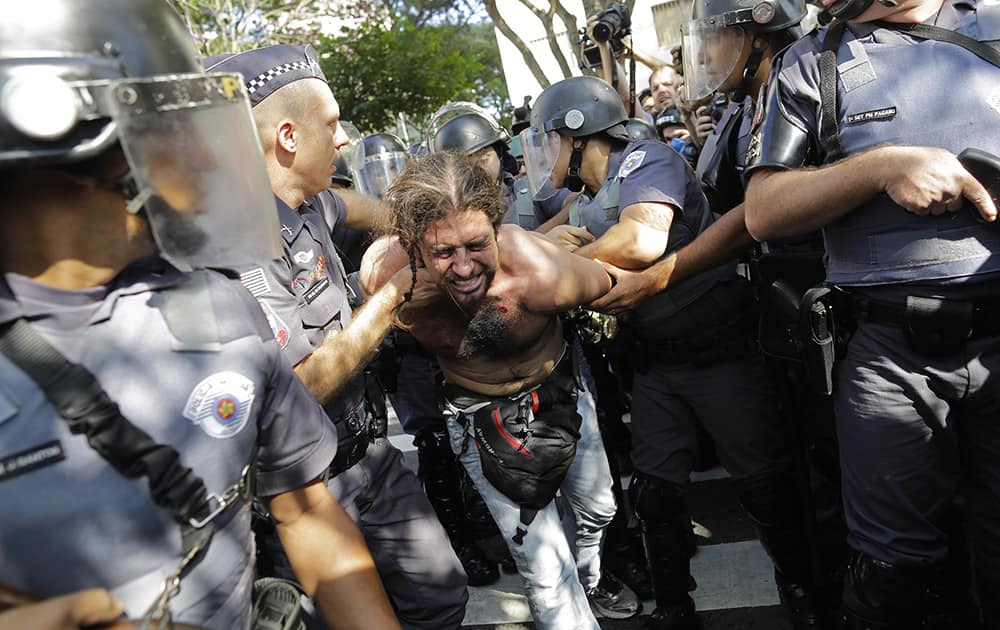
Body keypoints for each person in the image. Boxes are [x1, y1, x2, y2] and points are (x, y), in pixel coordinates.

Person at [0, 2, 399, 629]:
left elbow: (306, 513)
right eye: (167, 136)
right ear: (59, 134)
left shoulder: (215, 305)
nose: (207, 163)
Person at [524, 75, 822, 630]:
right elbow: (530, 246)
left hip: (719, 354)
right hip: (655, 365)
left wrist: (563, 264)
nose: (547, 155)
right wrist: (540, 249)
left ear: (578, 133)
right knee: (656, 494)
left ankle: (803, 590)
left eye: (551, 140)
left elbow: (642, 240)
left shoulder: (648, 160)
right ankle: (674, 605)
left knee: (764, 483)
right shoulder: (585, 199)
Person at [743, 0, 1000, 625]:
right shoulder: (812, 61)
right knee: (894, 576)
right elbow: (763, 208)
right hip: (888, 357)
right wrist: (884, 166)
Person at [204, 46, 468, 630]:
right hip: (308, 492)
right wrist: (391, 296)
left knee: (442, 597)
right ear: (288, 138)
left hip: (372, 456)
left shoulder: (310, 202)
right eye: (331, 124)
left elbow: (349, 205)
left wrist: (407, 224)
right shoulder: (239, 244)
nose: (344, 139)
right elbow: (300, 386)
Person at [361, 152, 640, 629]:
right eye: (444, 252)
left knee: (599, 509)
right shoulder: (391, 282)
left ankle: (593, 579)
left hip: (561, 396)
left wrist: (565, 249)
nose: (465, 267)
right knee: (546, 567)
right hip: (479, 419)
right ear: (414, 247)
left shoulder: (541, 274)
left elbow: (617, 285)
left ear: (497, 228)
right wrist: (391, 301)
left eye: (476, 245)